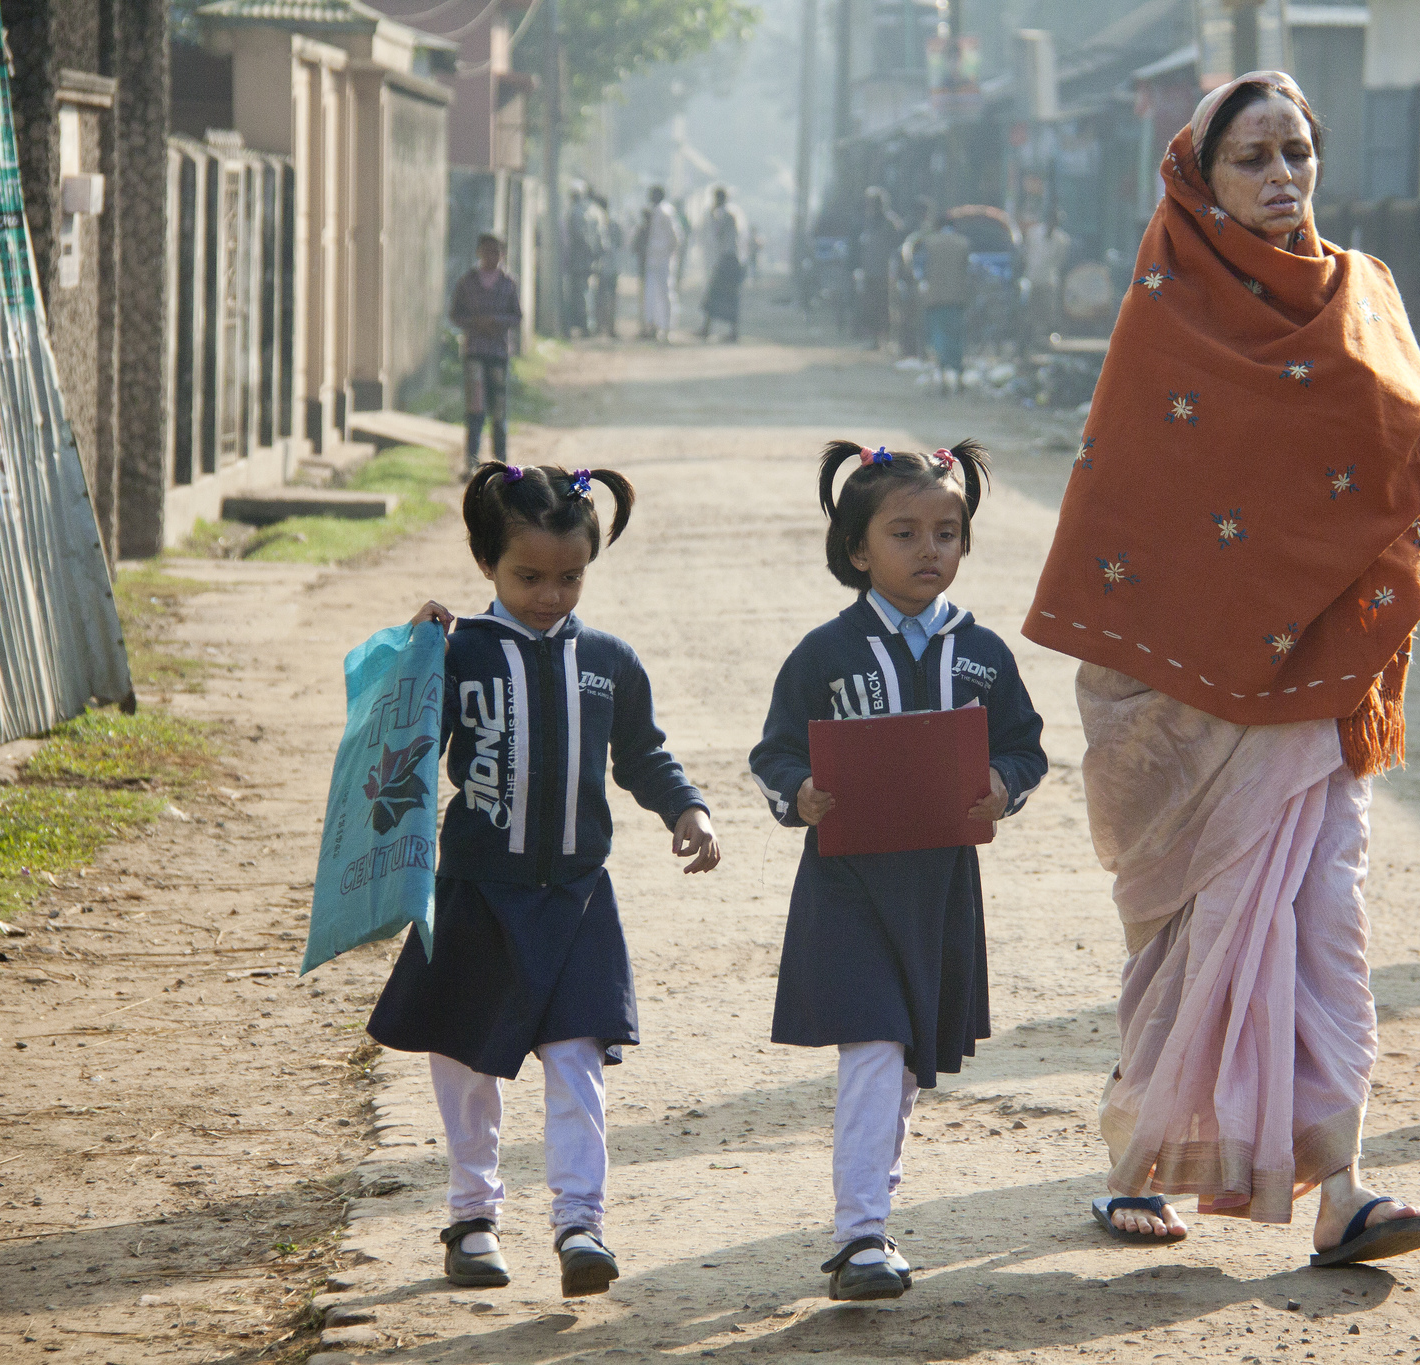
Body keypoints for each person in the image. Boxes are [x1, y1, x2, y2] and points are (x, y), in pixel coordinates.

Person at [1021, 71, 1420, 1266]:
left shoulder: (1364, 294)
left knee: (1325, 927)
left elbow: (1411, 453)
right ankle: (1133, 1163)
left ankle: (1342, 1189)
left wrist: (1352, 596)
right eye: (1251, 157)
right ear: (1200, 178)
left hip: (1320, 683)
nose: (1279, 177)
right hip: (1186, 700)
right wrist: (1214, 636)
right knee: (1189, 932)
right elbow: (1133, 510)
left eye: (1295, 152)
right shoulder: (1164, 312)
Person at [368, 462, 721, 1299]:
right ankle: (472, 1217)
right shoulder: (458, 653)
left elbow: (642, 754)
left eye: (570, 576)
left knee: (577, 1061)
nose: (551, 593)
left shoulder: (609, 661)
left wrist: (688, 809)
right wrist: (408, 655)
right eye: (529, 576)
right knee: (465, 1063)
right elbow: (392, 746)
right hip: (475, 893)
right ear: (486, 560)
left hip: (575, 899)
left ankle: (580, 1224)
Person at [749, 442, 1048, 1301]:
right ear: (857, 550)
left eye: (947, 532)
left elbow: (1024, 746)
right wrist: (798, 791)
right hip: (847, 887)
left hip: (942, 890)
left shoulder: (985, 654)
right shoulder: (822, 654)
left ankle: (873, 1207)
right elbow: (774, 751)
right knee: (873, 1045)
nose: (929, 549)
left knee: (909, 1056)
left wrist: (1003, 784)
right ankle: (860, 1237)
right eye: (905, 531)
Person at [449, 234, 523, 468]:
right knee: (475, 409)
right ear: (479, 252)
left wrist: (497, 322)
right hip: (474, 352)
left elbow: (517, 316)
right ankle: (471, 463)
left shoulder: (508, 283)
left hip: (499, 353)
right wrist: (475, 322)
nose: (491, 256)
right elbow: (455, 314)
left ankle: (501, 465)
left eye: (496, 252)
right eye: (487, 251)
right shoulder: (467, 282)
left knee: (499, 412)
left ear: (502, 254)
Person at [903, 206, 972, 393]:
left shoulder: (930, 243)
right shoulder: (963, 243)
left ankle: (942, 377)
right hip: (957, 298)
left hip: (935, 298)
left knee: (938, 338)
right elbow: (966, 270)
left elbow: (921, 268)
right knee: (956, 338)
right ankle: (958, 377)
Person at [854, 187, 904, 349]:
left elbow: (898, 247)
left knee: (884, 306)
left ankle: (885, 339)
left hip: (885, 272)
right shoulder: (867, 222)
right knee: (869, 306)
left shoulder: (890, 222)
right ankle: (874, 338)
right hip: (869, 271)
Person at [698, 186, 746, 343]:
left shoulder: (726, 215)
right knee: (722, 295)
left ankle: (711, 329)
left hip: (728, 259)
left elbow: (717, 234)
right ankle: (713, 329)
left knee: (718, 294)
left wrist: (712, 215)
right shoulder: (731, 213)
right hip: (731, 259)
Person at [1021, 206, 1072, 348]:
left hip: (1049, 280)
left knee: (1047, 311)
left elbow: (1060, 261)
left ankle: (1044, 340)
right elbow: (1026, 254)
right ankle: (1031, 340)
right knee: (1031, 311)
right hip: (1032, 277)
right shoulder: (1033, 233)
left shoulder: (1062, 239)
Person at [638, 185, 682, 342]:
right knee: (651, 294)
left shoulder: (665, 211)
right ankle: (652, 327)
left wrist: (668, 254)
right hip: (653, 259)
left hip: (663, 259)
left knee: (664, 293)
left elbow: (676, 237)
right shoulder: (653, 211)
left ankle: (666, 327)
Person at [562, 184, 594, 337]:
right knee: (581, 294)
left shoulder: (575, 212)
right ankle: (583, 326)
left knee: (579, 294)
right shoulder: (580, 212)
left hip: (577, 261)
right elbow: (582, 237)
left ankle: (582, 326)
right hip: (579, 261)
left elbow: (580, 237)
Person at [590, 194, 622, 339]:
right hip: (613, 265)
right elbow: (620, 243)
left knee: (601, 296)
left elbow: (599, 245)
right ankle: (610, 327)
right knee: (611, 297)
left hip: (603, 266)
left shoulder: (598, 221)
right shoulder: (615, 222)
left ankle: (600, 326)